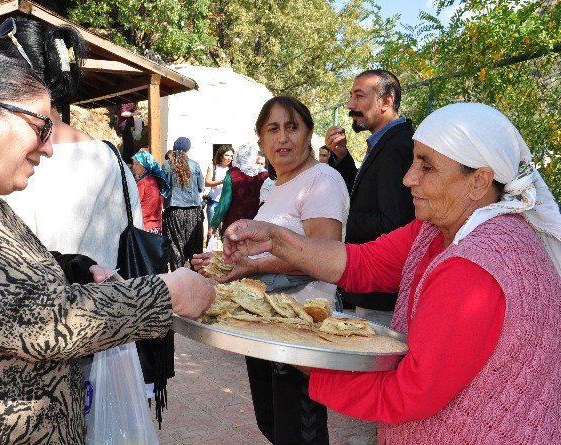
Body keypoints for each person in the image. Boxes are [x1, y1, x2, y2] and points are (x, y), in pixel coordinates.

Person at [0, 52, 214, 444]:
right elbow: (39, 320)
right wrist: (167, 293)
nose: (48, 148)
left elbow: (1, 282)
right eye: (41, 127)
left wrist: (76, 269)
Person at [223, 103, 561, 444]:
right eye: (414, 160)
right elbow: (362, 264)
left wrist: (292, 351)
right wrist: (275, 239)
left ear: (478, 181)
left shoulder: (476, 265)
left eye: (426, 167)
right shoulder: (436, 229)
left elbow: (409, 393)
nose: (408, 177)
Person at [0, 18, 162, 439]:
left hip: (22, 356)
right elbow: (132, 237)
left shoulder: (0, 166)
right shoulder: (111, 160)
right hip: (104, 338)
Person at [193, 96, 350, 445]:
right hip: (266, 327)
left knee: (299, 433)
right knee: (274, 426)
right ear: (261, 139)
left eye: (292, 127)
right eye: (273, 129)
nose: (283, 138)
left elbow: (325, 255)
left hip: (301, 331)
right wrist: (228, 261)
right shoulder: (275, 187)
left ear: (309, 133)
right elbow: (266, 250)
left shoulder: (321, 179)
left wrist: (249, 265)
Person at [324, 69, 415, 325]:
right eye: (351, 96)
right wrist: (342, 157)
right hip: (374, 288)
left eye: (359, 96)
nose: (350, 105)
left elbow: (394, 223)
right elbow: (367, 197)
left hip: (383, 293)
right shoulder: (385, 143)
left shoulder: (398, 147)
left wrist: (338, 223)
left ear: (387, 101)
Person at [162, 136, 205, 270]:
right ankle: (195, 279)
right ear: (188, 149)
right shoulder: (195, 165)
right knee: (195, 250)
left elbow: (163, 187)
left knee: (176, 248)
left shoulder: (167, 165)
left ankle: (179, 280)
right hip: (193, 211)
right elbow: (201, 187)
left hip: (174, 212)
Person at [210, 142, 268, 233]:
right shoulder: (265, 175)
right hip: (256, 226)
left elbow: (224, 203)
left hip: (234, 225)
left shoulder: (232, 173)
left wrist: (214, 225)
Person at [132, 150, 169, 234]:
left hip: (144, 227)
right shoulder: (156, 180)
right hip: (156, 227)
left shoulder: (143, 183)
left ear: (144, 166)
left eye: (136, 164)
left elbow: (134, 204)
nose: (133, 167)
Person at [204, 145, 234, 238]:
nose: (230, 158)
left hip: (226, 204)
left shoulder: (232, 170)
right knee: (211, 231)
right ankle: (210, 251)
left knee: (226, 232)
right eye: (227, 155)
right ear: (221, 155)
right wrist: (221, 181)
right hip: (214, 202)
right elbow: (207, 182)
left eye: (231, 156)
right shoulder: (213, 167)